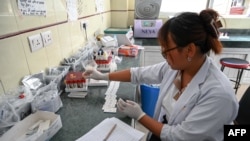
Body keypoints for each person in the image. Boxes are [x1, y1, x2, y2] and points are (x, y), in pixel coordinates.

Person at [82, 9, 239, 141]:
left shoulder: (218, 94)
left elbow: (180, 136)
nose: (164, 55)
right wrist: (103, 76)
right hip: (163, 131)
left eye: (167, 50)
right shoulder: (178, 67)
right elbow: (138, 74)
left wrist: (140, 116)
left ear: (189, 50)